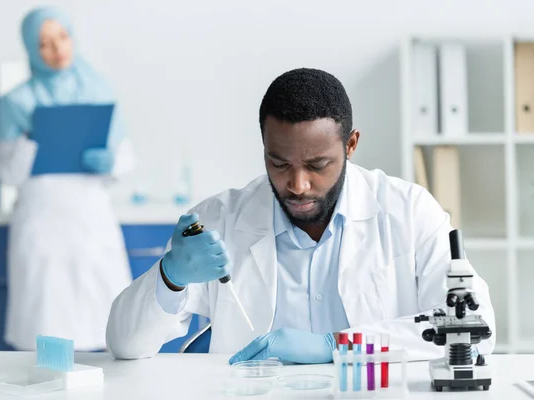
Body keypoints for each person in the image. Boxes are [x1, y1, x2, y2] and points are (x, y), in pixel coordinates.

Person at [105, 68, 496, 363]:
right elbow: (125, 346)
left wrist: (336, 346)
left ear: (352, 144)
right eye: (279, 162)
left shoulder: (408, 211)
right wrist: (169, 279)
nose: (298, 184)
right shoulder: (219, 219)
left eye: (317, 164)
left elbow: (476, 329)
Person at [0, 7, 134, 351]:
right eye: (43, 43)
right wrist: (29, 141)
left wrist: (110, 161)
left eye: (62, 37)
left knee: (108, 328)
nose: (57, 48)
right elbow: (6, 173)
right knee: (48, 331)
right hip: (42, 226)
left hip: (91, 221)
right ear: (30, 49)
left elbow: (126, 158)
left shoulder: (99, 91)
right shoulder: (16, 102)